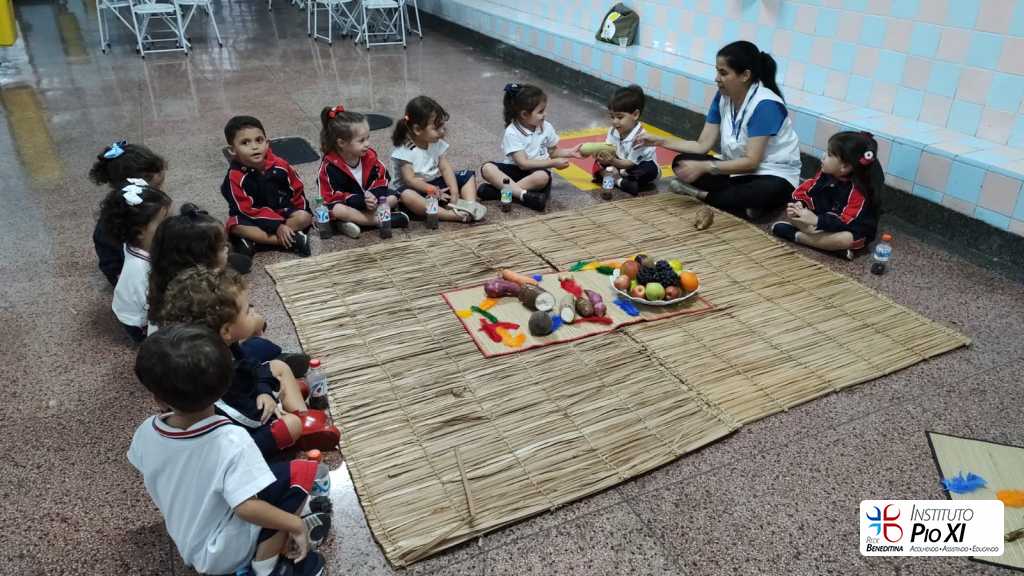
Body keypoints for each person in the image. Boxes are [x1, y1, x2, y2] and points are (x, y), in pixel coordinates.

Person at [128, 324, 329, 576]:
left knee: (266, 479)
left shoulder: (146, 430)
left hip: (187, 539)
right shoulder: (231, 439)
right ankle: (267, 568)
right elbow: (246, 507)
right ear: (225, 386)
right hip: (222, 552)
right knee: (300, 473)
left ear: (157, 397)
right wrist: (294, 524)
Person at [152, 266, 341, 456]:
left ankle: (301, 413)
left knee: (279, 366)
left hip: (249, 396)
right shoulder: (218, 375)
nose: (253, 311)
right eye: (247, 310)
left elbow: (252, 367)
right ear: (226, 330)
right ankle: (301, 429)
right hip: (246, 432)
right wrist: (269, 398)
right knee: (291, 424)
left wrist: (264, 389)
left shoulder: (224, 347)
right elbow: (247, 416)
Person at [640, 40, 801, 218]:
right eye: (717, 71)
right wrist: (660, 141)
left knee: (764, 191)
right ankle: (741, 205)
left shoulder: (766, 105)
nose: (717, 78)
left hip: (772, 174)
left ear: (745, 75)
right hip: (736, 170)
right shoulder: (723, 97)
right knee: (681, 162)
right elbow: (702, 145)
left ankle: (699, 194)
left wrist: (706, 166)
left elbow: (752, 162)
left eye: (723, 73)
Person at [771, 131, 882, 260]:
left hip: (848, 228)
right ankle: (828, 246)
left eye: (829, 154)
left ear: (845, 166)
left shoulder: (859, 191)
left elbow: (846, 221)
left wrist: (817, 220)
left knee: (845, 239)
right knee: (793, 213)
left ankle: (799, 237)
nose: (823, 156)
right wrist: (800, 203)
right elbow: (808, 188)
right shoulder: (827, 173)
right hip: (823, 221)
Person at [478, 83, 582, 211]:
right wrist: (554, 163)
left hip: (536, 174)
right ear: (524, 114)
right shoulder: (512, 132)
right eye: (540, 112)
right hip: (515, 170)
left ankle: (497, 193)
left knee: (542, 177)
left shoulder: (546, 127)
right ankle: (523, 196)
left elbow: (552, 151)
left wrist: (570, 152)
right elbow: (523, 164)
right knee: (487, 168)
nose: (545, 114)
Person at [221, 115, 313, 258]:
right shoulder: (234, 177)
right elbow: (245, 210)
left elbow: (297, 191)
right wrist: (277, 226)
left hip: (281, 212)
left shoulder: (281, 165)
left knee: (304, 217)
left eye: (259, 140)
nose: (254, 147)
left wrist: (300, 212)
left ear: (267, 143)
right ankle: (290, 240)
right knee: (235, 226)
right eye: (245, 142)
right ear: (232, 150)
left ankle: (255, 243)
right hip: (252, 218)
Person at [316, 104, 412, 238]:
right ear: (341, 143)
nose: (367, 144)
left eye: (368, 138)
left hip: (371, 203)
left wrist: (373, 196)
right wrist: (361, 200)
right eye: (361, 140)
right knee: (337, 210)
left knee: (393, 197)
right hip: (350, 205)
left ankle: (353, 223)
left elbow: (382, 178)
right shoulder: (329, 166)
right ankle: (378, 220)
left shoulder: (369, 156)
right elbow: (329, 197)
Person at [389, 96, 486, 223]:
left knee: (467, 175)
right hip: (415, 191)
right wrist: (433, 190)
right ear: (417, 129)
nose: (442, 132)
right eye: (436, 128)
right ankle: (449, 215)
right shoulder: (406, 149)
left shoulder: (435, 142)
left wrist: (454, 192)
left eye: (442, 126)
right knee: (406, 195)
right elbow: (410, 180)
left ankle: (469, 205)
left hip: (434, 186)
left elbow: (445, 169)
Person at [97, 179, 171, 342]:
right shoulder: (141, 271)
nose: (173, 224)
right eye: (165, 222)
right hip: (138, 323)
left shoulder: (134, 243)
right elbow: (155, 313)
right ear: (139, 233)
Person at [89, 141, 167, 286]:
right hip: (128, 275)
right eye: (157, 187)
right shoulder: (114, 222)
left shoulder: (146, 206)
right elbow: (114, 266)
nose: (161, 191)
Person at [591, 84, 658, 196]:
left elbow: (630, 163)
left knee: (649, 169)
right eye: (612, 117)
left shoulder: (641, 137)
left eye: (620, 117)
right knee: (598, 164)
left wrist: (612, 162)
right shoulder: (613, 130)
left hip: (634, 166)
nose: (615, 122)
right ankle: (621, 182)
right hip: (620, 163)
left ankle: (618, 179)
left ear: (635, 115)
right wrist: (601, 154)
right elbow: (610, 149)